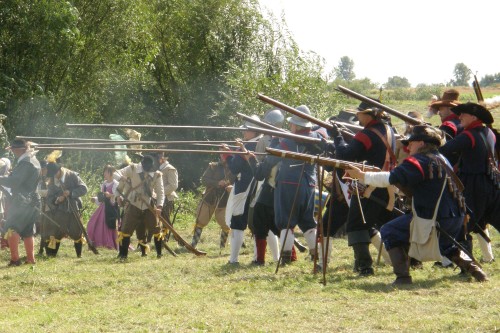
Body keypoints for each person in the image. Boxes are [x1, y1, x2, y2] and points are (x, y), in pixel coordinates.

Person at [348, 125, 488, 284]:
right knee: (446, 245)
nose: (408, 147)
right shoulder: (442, 159)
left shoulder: (418, 161)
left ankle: (403, 277)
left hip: (434, 218)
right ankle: (477, 272)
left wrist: (362, 176)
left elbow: (391, 178)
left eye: (411, 143)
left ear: (421, 143)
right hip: (455, 218)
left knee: (389, 230)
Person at [329, 104, 397, 276]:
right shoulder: (388, 129)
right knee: (379, 223)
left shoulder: (367, 134)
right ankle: (402, 260)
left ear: (368, 115)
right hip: (386, 182)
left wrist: (337, 137)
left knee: (356, 225)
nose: (358, 117)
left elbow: (346, 155)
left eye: (360, 114)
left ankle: (364, 267)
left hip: (370, 184)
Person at [439, 102, 500, 263]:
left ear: (473, 117)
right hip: (493, 182)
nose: (459, 118)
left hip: (474, 185)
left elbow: (445, 149)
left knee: (463, 224)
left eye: (463, 115)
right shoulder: (489, 132)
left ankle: (468, 265)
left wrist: (433, 137)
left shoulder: (468, 135)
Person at [264, 105, 324, 264]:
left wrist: (275, 142)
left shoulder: (288, 141)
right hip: (310, 184)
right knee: (308, 222)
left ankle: (285, 259)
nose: (289, 126)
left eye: (292, 124)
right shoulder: (316, 137)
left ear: (297, 125)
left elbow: (271, 159)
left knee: (285, 222)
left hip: (288, 184)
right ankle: (315, 256)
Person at [223, 117, 261, 265]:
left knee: (237, 223)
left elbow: (234, 167)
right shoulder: (262, 142)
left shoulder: (248, 145)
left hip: (245, 187)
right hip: (259, 187)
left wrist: (228, 154)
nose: (244, 132)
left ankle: (233, 259)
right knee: (260, 224)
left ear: (254, 131)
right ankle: (265, 257)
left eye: (247, 129)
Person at [114, 154, 164, 260]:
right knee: (126, 229)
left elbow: (160, 192)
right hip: (133, 203)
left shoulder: (157, 174)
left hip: (148, 204)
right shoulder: (132, 168)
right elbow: (116, 173)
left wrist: (159, 206)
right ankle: (123, 255)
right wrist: (121, 177)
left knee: (156, 229)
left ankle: (159, 254)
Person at [0, 139, 40, 266]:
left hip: (22, 200)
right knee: (28, 230)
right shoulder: (33, 161)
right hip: (32, 199)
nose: (12, 151)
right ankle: (30, 259)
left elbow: (14, 182)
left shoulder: (26, 163)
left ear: (19, 150)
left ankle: (15, 259)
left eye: (13, 149)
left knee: (12, 227)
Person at [44, 159, 88, 257]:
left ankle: (78, 255)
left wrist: (71, 193)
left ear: (59, 170)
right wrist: (57, 200)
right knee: (56, 232)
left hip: (74, 208)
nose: (54, 176)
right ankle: (52, 255)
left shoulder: (72, 175)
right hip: (59, 209)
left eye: (55, 173)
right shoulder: (52, 181)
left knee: (76, 231)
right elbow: (50, 198)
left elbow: (84, 189)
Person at [191, 155, 235, 250]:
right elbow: (204, 179)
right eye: (222, 155)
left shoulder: (235, 168)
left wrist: (230, 187)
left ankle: (222, 247)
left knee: (225, 224)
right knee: (201, 221)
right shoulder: (213, 166)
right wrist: (217, 183)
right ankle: (193, 245)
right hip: (209, 198)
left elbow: (238, 183)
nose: (223, 157)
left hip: (225, 200)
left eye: (225, 155)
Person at [87, 165, 119, 250]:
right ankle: (97, 243)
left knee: (108, 226)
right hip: (103, 207)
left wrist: (110, 195)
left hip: (111, 208)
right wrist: (95, 199)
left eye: (106, 171)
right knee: (92, 223)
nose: (104, 173)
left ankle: (109, 244)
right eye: (104, 171)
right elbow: (102, 198)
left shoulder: (116, 183)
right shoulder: (104, 184)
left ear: (111, 173)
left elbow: (118, 197)